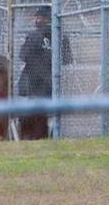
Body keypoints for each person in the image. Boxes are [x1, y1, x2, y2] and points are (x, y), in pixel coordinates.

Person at [17, 7, 72, 139]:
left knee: (35, 111)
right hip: (52, 81)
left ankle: (36, 136)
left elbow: (23, 56)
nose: (36, 20)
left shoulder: (34, 35)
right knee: (50, 111)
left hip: (35, 82)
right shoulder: (61, 37)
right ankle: (50, 135)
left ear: (46, 19)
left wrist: (38, 58)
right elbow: (66, 59)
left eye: (39, 17)